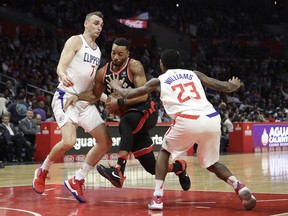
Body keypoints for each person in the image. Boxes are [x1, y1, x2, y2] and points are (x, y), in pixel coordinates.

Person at [107, 49, 257, 211]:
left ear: (162, 65)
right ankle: (239, 186)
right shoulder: (194, 74)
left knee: (164, 153)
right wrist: (234, 85)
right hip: (212, 118)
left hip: (188, 119)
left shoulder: (159, 80)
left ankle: (157, 197)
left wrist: (116, 87)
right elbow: (223, 86)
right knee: (211, 163)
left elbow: (131, 93)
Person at [65, 38, 190, 191]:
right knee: (152, 167)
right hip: (131, 121)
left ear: (128, 53)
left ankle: (118, 170)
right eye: (113, 53)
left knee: (125, 123)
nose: (115, 57)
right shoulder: (103, 72)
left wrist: (120, 103)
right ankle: (179, 167)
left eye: (120, 54)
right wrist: (77, 97)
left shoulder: (134, 66)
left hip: (146, 111)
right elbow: (94, 95)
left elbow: (144, 96)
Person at [32, 11, 112, 203]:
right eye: (95, 23)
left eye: (101, 25)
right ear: (86, 23)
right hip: (66, 97)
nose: (98, 27)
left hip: (84, 101)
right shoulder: (76, 41)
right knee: (69, 141)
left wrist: (107, 98)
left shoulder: (98, 51)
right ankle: (42, 170)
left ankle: (78, 179)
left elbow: (92, 87)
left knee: (106, 142)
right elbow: (61, 65)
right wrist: (62, 75)